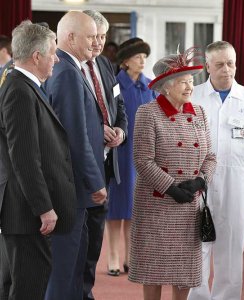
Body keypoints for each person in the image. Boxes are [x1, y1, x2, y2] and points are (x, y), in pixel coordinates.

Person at [129, 47, 216, 300]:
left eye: (191, 81)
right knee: (153, 271)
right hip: (157, 204)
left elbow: (210, 156)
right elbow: (143, 161)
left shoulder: (198, 113)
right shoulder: (147, 113)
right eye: (183, 82)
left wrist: (201, 180)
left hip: (189, 204)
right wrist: (171, 188)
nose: (190, 87)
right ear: (166, 86)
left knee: (184, 271)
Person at [188, 41, 244, 300]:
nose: (227, 69)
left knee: (232, 248)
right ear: (208, 67)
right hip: (199, 183)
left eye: (231, 63)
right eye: (220, 64)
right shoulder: (193, 97)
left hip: (238, 183)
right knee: (196, 247)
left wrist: (237, 168)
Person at [0, 20, 76, 300]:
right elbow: (24, 158)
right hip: (26, 211)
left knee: (17, 285)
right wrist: (44, 208)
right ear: (37, 56)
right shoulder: (20, 90)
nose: (56, 58)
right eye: (53, 52)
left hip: (23, 208)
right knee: (27, 286)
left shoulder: (22, 85)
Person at [43, 11, 107, 300]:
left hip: (73, 186)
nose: (96, 42)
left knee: (74, 266)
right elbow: (74, 135)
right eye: (91, 36)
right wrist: (95, 181)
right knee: (64, 269)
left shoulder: (73, 68)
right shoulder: (67, 72)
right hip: (71, 187)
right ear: (70, 37)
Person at [81, 10, 128, 299]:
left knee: (93, 240)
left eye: (103, 36)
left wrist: (120, 130)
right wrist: (100, 130)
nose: (99, 42)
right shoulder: (66, 66)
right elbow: (69, 116)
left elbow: (118, 104)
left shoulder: (105, 65)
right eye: (94, 36)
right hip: (79, 165)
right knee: (76, 240)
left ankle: (86, 291)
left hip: (108, 163)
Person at [106, 37, 155, 276]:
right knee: (116, 208)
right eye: (138, 57)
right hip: (119, 153)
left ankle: (130, 257)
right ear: (126, 61)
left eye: (144, 57)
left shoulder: (150, 86)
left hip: (143, 155)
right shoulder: (114, 84)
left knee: (135, 209)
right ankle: (113, 257)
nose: (142, 61)